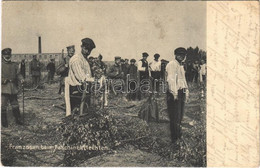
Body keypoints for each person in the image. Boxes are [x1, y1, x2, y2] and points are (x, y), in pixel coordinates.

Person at [65, 38, 96, 116]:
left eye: (89, 51)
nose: (87, 52)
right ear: (82, 47)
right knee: (77, 112)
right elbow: (81, 77)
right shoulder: (76, 60)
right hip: (75, 88)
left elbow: (87, 75)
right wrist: (94, 80)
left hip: (83, 88)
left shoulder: (85, 60)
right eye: (86, 49)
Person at [165, 47, 189, 143]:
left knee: (180, 115)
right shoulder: (172, 64)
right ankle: (174, 138)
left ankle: (178, 135)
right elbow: (171, 80)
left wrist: (186, 91)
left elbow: (183, 80)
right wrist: (174, 94)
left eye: (183, 55)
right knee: (174, 116)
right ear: (175, 55)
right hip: (174, 93)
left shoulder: (180, 66)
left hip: (181, 92)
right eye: (179, 54)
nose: (181, 56)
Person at [1, 48, 24, 127]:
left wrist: (21, 79)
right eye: (6, 55)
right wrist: (3, 80)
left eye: (9, 55)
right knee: (3, 105)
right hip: (3, 88)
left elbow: (18, 74)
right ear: (3, 55)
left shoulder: (14, 65)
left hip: (13, 88)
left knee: (15, 104)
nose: (7, 57)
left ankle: (18, 119)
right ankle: (4, 122)